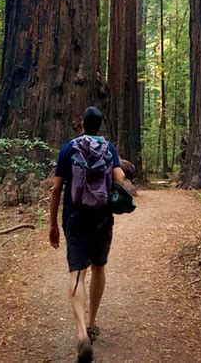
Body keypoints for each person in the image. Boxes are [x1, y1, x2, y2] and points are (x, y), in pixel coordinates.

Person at [49, 106, 125, 363]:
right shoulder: (109, 148)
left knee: (77, 273)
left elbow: (56, 190)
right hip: (102, 217)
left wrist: (52, 224)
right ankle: (92, 324)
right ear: (100, 125)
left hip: (74, 216)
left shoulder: (68, 148)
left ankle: (81, 334)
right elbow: (119, 179)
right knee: (98, 267)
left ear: (81, 123)